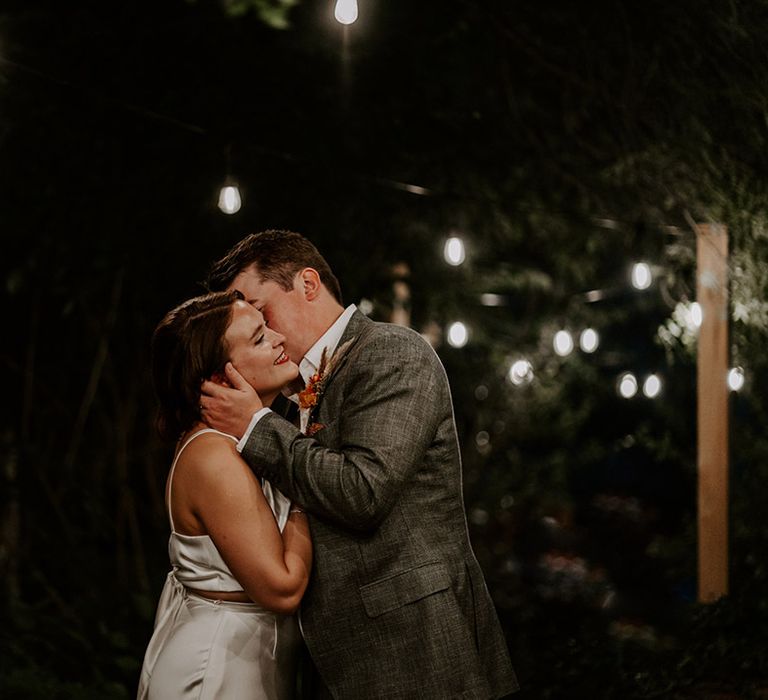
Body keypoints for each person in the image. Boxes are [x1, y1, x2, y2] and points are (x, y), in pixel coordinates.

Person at [200, 230, 519, 699]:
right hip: (339, 664)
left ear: (308, 284)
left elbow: (362, 491)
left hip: (417, 654)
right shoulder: (289, 400)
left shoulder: (393, 353)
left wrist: (255, 427)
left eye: (260, 310)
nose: (262, 333)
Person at [137, 289, 312, 700]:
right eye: (258, 338)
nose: (279, 338)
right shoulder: (212, 455)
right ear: (220, 378)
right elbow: (282, 587)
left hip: (250, 656)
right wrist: (310, 483)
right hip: (217, 667)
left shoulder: (239, 441)